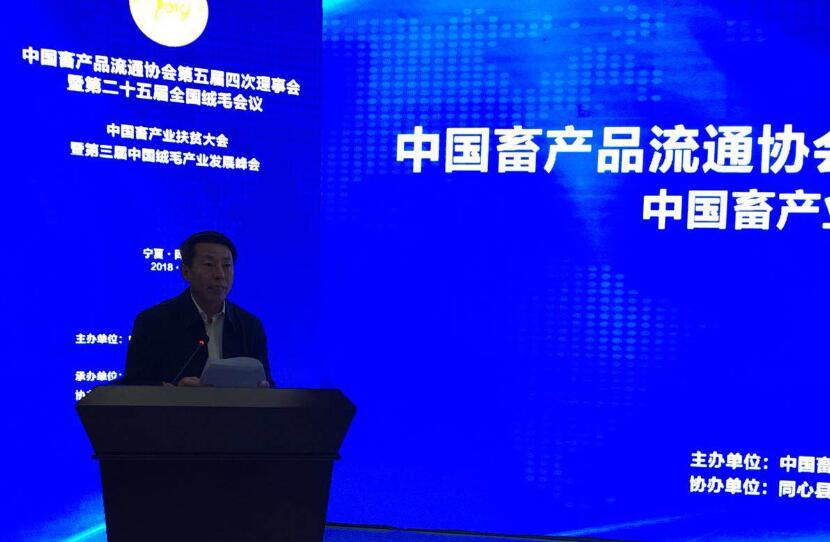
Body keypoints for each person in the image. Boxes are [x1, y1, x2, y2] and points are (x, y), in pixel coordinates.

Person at [123, 231, 273, 387]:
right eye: (209, 265)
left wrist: (264, 389)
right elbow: (133, 386)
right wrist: (173, 392)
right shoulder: (152, 323)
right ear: (186, 272)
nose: (220, 274)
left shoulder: (250, 326)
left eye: (227, 265)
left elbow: (267, 383)